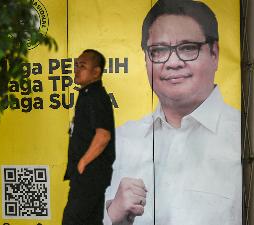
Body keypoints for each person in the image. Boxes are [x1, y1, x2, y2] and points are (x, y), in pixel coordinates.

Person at [103, 1, 241, 225]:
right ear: (147, 59)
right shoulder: (121, 141)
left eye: (188, 48)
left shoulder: (247, 137)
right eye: (159, 51)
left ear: (214, 53)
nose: (173, 63)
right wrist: (112, 216)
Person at [63, 49, 115, 225]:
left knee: (72, 221)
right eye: (76, 65)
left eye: (82, 66)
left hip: (89, 176)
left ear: (96, 72)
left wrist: (82, 163)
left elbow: (103, 136)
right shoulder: (87, 95)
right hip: (90, 176)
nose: (76, 69)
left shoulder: (95, 96)